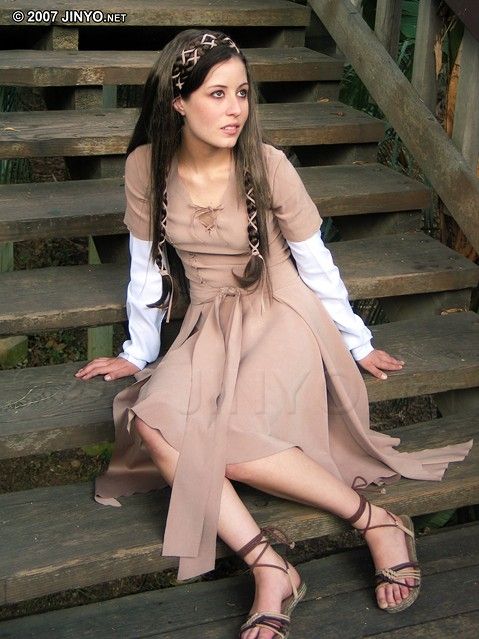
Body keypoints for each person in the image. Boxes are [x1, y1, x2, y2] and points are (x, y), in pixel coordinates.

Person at [75, 29, 472, 639]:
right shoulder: (145, 168)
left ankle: (374, 520)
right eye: (217, 94)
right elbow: (145, 266)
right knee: (153, 420)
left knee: (217, 433)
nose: (236, 109)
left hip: (280, 306)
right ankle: (270, 564)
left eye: (242, 93)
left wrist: (356, 341)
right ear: (177, 101)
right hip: (209, 317)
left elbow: (316, 263)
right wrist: (138, 353)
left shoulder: (268, 165)